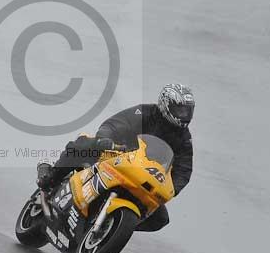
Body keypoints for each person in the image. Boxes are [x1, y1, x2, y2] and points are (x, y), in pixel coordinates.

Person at [36, 83, 195, 232]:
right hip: (117, 155)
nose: (185, 115)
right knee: (84, 146)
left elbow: (183, 170)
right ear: (166, 105)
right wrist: (106, 140)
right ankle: (50, 178)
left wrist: (170, 190)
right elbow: (116, 123)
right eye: (181, 110)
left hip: (144, 176)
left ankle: (114, 226)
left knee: (160, 218)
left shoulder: (184, 139)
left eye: (188, 111)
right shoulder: (145, 113)